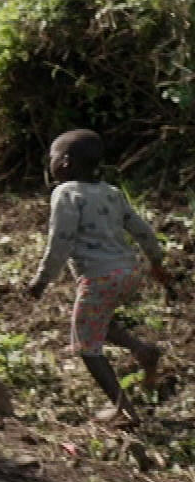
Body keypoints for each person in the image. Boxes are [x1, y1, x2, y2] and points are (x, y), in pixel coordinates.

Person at [28, 129, 176, 422]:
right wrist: (157, 264)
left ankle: (124, 410)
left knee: (87, 346)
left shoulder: (66, 193)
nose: (51, 164)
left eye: (53, 158)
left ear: (66, 162)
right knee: (99, 322)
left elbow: (61, 240)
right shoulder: (111, 192)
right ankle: (143, 350)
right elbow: (143, 231)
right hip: (129, 273)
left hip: (99, 277)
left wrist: (41, 280)